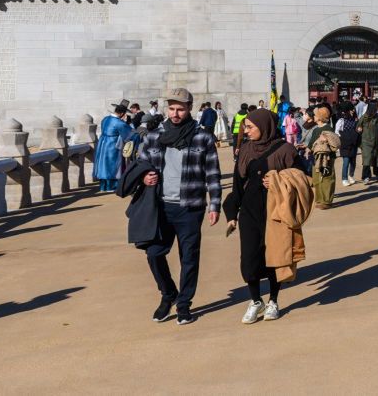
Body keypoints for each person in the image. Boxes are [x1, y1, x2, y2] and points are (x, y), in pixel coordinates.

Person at [134, 88, 221, 325]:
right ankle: (168, 293)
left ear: (190, 108)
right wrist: (144, 178)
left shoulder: (202, 136)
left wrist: (215, 204)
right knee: (154, 254)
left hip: (190, 206)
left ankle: (183, 305)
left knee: (189, 258)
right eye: (171, 108)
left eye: (180, 109)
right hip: (160, 205)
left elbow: (212, 173)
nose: (175, 113)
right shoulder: (153, 135)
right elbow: (140, 164)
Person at [224, 108, 304, 323]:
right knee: (249, 259)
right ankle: (255, 300)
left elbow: (303, 178)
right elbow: (237, 185)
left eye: (250, 127)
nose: (246, 131)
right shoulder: (245, 150)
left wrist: (279, 179)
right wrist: (232, 212)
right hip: (250, 212)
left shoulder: (286, 150)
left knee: (274, 258)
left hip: (275, 212)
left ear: (264, 126)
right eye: (245, 128)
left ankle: (273, 301)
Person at [96, 101, 137, 192]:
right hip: (112, 145)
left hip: (103, 143)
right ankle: (112, 186)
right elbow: (131, 134)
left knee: (103, 164)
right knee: (113, 165)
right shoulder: (119, 123)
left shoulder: (105, 119)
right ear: (122, 113)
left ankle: (104, 186)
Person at [306, 107, 336, 208]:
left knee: (327, 178)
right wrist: (306, 148)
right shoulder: (316, 129)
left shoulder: (328, 129)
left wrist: (325, 140)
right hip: (316, 158)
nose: (313, 116)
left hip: (327, 158)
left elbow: (335, 144)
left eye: (315, 115)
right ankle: (319, 200)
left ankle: (327, 201)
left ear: (319, 117)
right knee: (317, 179)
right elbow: (311, 144)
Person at [356, 101, 378, 183]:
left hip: (376, 140)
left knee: (376, 158)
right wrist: (359, 128)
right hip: (366, 141)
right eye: (377, 106)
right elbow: (358, 125)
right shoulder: (364, 117)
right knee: (367, 159)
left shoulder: (377, 116)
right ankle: (366, 176)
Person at [335, 104, 359, 185]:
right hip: (345, 144)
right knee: (346, 161)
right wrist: (343, 137)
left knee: (353, 162)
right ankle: (344, 179)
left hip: (353, 143)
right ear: (347, 111)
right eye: (351, 110)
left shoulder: (355, 120)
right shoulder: (341, 121)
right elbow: (337, 132)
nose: (353, 111)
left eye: (353, 110)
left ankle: (351, 176)